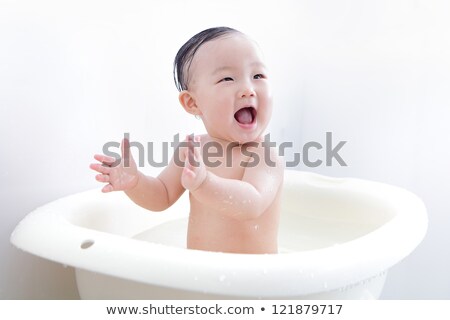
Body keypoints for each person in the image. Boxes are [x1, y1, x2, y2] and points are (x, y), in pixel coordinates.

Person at [90, 27, 284, 254]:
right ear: (192, 103)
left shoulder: (264, 155)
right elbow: (161, 196)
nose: (247, 89)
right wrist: (136, 182)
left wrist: (204, 184)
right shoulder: (193, 151)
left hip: (253, 279)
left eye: (258, 76)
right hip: (198, 273)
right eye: (227, 78)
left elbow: (253, 204)